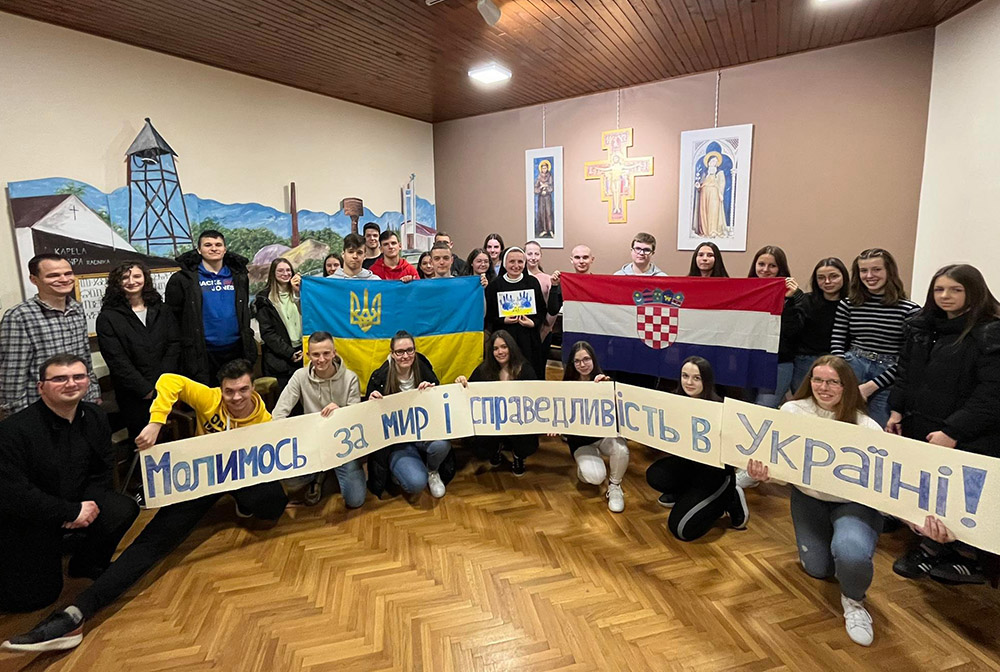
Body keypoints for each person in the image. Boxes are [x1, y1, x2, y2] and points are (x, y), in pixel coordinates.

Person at [2, 359, 288, 652]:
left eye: (243, 390)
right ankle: (75, 615)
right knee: (151, 544)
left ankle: (243, 504)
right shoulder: (210, 397)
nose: (236, 397)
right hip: (203, 480)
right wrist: (156, 421)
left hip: (244, 478)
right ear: (221, 390)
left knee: (271, 505)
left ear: (253, 388)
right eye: (229, 391)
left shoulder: (264, 422)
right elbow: (169, 379)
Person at [747, 355, 884, 647]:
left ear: (847, 386)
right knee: (818, 570)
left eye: (833, 382)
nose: (824, 387)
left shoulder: (868, 426)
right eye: (818, 380)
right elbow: (780, 462)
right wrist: (765, 473)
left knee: (850, 553)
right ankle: (842, 560)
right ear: (809, 381)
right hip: (809, 498)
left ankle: (855, 602)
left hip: (853, 503)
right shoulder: (792, 411)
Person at [0, 355, 139, 618]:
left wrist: (85, 508)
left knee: (122, 508)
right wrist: (68, 511)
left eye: (78, 377)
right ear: (41, 387)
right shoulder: (13, 431)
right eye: (59, 379)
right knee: (38, 598)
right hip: (30, 517)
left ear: (87, 381)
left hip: (77, 504)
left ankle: (87, 563)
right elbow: (15, 494)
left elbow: (103, 468)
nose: (71, 384)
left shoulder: (95, 415)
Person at [887, 264, 1000, 585]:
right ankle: (931, 547)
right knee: (929, 494)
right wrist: (896, 411)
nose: (945, 296)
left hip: (967, 435)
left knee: (963, 501)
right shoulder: (921, 327)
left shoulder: (990, 332)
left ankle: (969, 560)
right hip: (921, 425)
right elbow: (906, 372)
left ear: (973, 292)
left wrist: (953, 431)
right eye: (939, 290)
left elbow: (992, 394)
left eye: (955, 290)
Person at [645, 356, 747, 540]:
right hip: (689, 467)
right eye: (685, 376)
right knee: (655, 475)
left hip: (715, 475)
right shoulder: (674, 400)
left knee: (681, 529)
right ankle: (689, 494)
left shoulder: (720, 409)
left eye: (696, 378)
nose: (689, 382)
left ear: (706, 381)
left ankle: (730, 497)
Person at [272, 332, 365, 509]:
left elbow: (356, 419)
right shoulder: (300, 376)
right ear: (308, 356)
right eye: (315, 354)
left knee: (356, 500)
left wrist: (341, 413)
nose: (321, 359)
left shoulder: (350, 378)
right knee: (288, 480)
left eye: (326, 353)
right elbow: (279, 413)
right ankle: (319, 475)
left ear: (334, 353)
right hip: (313, 442)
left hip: (342, 444)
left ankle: (329, 472)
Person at [96, 261, 180, 456]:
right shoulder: (108, 317)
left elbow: (174, 344)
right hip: (133, 394)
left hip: (165, 388)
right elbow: (116, 359)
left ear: (145, 279)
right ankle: (144, 483)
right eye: (125, 277)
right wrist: (146, 389)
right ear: (116, 282)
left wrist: (162, 383)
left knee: (168, 439)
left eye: (136, 276)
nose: (132, 281)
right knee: (143, 442)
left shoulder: (161, 309)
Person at [830, 248, 920, 428]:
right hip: (851, 367)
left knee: (875, 432)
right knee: (839, 426)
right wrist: (841, 372)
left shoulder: (910, 311)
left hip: (887, 377)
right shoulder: (848, 304)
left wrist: (872, 386)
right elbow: (837, 339)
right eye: (864, 270)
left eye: (876, 269)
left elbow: (908, 360)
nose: (869, 275)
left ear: (889, 271)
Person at [0, 254, 99, 414]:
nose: (63, 279)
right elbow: (12, 374)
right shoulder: (20, 316)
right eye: (53, 275)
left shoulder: (76, 309)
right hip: (41, 409)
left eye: (67, 273)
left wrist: (93, 393)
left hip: (80, 402)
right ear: (34, 279)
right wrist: (18, 416)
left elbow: (84, 356)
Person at [365, 331, 454, 499]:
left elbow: (440, 405)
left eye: (410, 350)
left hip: (424, 433)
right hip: (398, 442)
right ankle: (402, 469)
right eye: (400, 352)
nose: (405, 355)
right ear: (392, 353)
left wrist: (431, 392)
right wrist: (371, 404)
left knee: (442, 444)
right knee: (415, 483)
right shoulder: (380, 377)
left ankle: (432, 470)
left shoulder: (423, 367)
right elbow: (369, 420)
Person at [165, 229, 256, 385]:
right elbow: (172, 318)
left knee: (236, 399)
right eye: (208, 245)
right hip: (202, 353)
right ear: (199, 250)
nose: (214, 248)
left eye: (218, 245)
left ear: (224, 249)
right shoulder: (183, 279)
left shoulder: (239, 277)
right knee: (207, 403)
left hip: (236, 349)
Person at [456, 330, 538, 476]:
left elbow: (537, 397)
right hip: (493, 423)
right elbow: (469, 391)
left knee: (528, 443)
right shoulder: (484, 370)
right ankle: (496, 448)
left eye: (504, 347)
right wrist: (462, 382)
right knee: (479, 447)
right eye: (495, 348)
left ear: (511, 348)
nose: (500, 351)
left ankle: (518, 456)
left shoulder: (525, 369)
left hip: (518, 422)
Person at [561, 342, 629, 512]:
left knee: (622, 448)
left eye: (586, 359)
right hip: (581, 442)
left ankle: (614, 487)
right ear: (572, 364)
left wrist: (609, 388)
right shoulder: (565, 386)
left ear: (593, 359)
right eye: (577, 361)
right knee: (595, 477)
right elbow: (558, 413)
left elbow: (620, 410)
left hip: (604, 437)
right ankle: (585, 467)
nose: (582, 364)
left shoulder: (604, 381)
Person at [750, 246, 805, 408]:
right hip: (749, 359)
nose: (765, 270)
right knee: (744, 406)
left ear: (781, 268)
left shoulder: (795, 294)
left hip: (778, 363)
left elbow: (794, 331)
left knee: (763, 409)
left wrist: (787, 300)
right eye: (761, 264)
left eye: (772, 266)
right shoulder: (747, 290)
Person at [485, 247, 547, 379]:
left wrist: (533, 323)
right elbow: (489, 315)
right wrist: (503, 320)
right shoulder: (495, 285)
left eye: (520, 261)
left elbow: (541, 310)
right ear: (504, 263)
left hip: (529, 339)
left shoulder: (532, 282)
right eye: (512, 261)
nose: (516, 265)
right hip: (505, 337)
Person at [791, 258, 850, 391]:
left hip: (839, 361)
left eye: (834, 276)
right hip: (805, 362)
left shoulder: (852, 304)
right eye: (821, 278)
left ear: (844, 277)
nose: (827, 282)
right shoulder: (806, 301)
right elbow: (793, 330)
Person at [253, 258, 303, 393]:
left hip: (303, 353)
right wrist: (289, 353)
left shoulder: (301, 293)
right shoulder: (264, 299)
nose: (285, 273)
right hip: (281, 360)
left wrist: (298, 292)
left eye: (288, 270)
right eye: (280, 270)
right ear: (273, 273)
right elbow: (268, 333)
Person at [525, 240, 558, 341]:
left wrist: (546, 329)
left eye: (537, 254)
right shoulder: (519, 277)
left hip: (542, 327)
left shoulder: (548, 279)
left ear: (541, 256)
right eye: (529, 254)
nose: (533, 258)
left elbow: (552, 308)